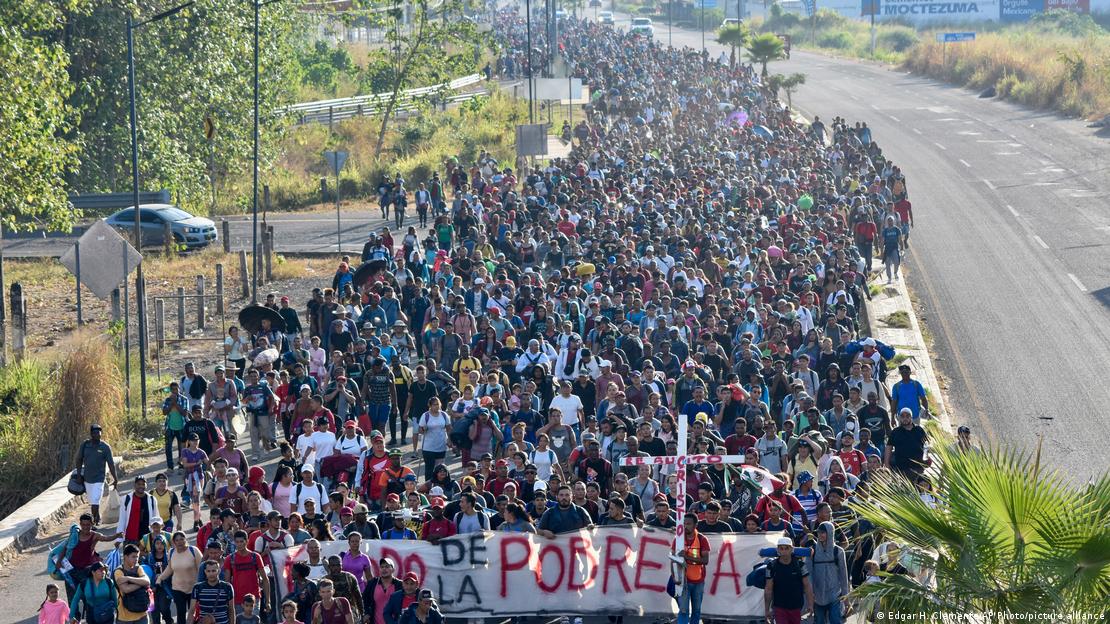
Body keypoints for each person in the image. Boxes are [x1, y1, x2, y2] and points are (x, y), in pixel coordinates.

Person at [73, 424, 118, 525]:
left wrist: (115, 478)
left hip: (99, 479)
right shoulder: (85, 445)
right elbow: (78, 459)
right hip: (87, 479)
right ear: (91, 434)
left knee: (95, 500)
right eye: (95, 432)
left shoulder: (105, 447)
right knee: (93, 501)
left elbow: (111, 464)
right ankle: (97, 517)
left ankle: (94, 522)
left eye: (99, 432)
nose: (97, 434)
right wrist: (79, 475)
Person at [764, 536, 815, 624]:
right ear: (778, 550)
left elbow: (807, 586)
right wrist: (766, 610)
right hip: (779, 607)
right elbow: (768, 589)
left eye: (786, 548)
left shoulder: (800, 565)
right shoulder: (771, 566)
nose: (784, 551)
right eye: (781, 548)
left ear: (791, 549)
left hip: (797, 607)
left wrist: (810, 604)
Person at [808, 521, 850, 624]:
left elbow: (843, 576)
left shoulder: (838, 551)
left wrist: (846, 597)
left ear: (831, 533)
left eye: (823, 532)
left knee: (836, 621)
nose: (820, 535)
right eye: (819, 532)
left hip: (834, 594)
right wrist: (810, 594)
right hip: (817, 596)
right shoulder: (812, 551)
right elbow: (809, 574)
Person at [676, 512, 710, 624]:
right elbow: (671, 556)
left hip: (698, 582)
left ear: (696, 525)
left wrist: (686, 556)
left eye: (689, 524)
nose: (685, 526)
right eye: (684, 523)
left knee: (696, 611)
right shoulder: (678, 538)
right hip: (683, 581)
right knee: (684, 610)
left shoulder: (702, 539)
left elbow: (705, 561)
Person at [113, 543, 152, 623]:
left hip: (142, 614)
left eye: (137, 556)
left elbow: (147, 581)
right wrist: (141, 584)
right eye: (133, 557)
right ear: (125, 557)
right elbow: (126, 589)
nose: (136, 559)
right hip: (125, 617)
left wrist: (128, 578)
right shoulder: (118, 571)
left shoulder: (138, 568)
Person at [192, 559, 235, 624]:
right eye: (208, 571)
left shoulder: (227, 587)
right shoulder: (197, 587)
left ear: (219, 571)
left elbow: (231, 610)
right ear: (205, 572)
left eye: (213, 571)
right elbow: (192, 611)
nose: (211, 573)